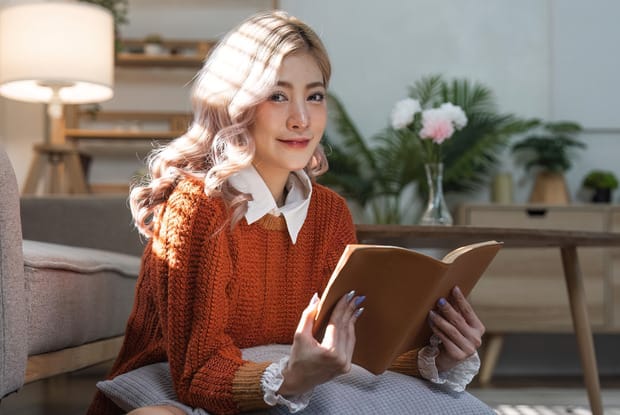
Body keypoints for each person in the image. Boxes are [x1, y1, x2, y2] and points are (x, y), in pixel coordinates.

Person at [87, 10, 485, 415]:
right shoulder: (199, 207)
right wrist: (292, 378)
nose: (301, 119)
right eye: (277, 96)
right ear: (233, 105)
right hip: (173, 387)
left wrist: (440, 357)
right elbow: (196, 373)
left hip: (282, 387)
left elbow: (355, 356)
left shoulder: (329, 213)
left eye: (314, 96)